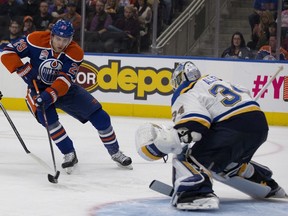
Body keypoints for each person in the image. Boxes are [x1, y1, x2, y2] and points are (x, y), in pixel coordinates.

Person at [135, 61, 287, 210]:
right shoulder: (215, 80)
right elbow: (244, 92)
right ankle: (265, 182)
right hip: (258, 123)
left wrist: (174, 137)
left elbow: (195, 123)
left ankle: (195, 194)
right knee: (226, 162)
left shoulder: (185, 91)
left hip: (232, 126)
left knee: (189, 158)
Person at [0, 19, 133, 174]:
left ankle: (115, 152)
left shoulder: (75, 51)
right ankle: (69, 153)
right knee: (49, 121)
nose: (61, 43)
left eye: (65, 40)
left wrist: (49, 95)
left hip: (64, 90)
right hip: (37, 89)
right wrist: (23, 69)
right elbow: (7, 52)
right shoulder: (35, 39)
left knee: (101, 117)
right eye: (58, 39)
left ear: (71, 38)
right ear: (52, 35)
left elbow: (65, 80)